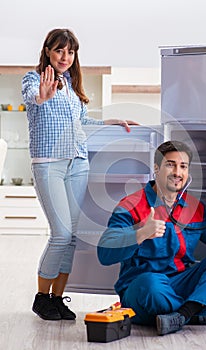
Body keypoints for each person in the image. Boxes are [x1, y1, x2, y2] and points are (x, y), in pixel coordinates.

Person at [22, 28, 138, 321]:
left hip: (78, 163)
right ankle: (41, 298)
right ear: (48, 50)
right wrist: (42, 96)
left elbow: (82, 120)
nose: (65, 57)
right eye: (59, 50)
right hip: (49, 163)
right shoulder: (34, 80)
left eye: (70, 52)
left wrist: (112, 121)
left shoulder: (71, 85)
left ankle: (57, 299)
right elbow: (32, 99)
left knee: (72, 236)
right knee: (60, 234)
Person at [97, 140, 206, 335]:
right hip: (143, 285)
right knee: (150, 285)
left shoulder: (193, 207)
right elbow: (104, 253)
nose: (177, 172)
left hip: (181, 282)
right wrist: (140, 233)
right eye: (170, 164)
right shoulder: (131, 204)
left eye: (183, 166)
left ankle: (182, 315)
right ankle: (199, 310)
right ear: (156, 169)